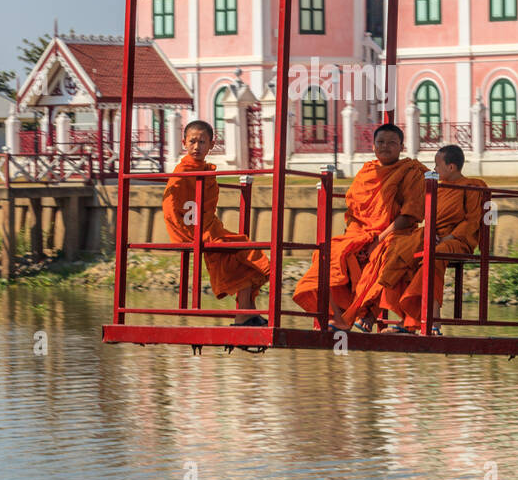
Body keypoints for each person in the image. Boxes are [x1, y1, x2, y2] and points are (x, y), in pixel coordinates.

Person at [291, 123, 425, 331]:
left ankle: (367, 314)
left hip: (394, 232)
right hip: (360, 232)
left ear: (401, 146)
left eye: (392, 143)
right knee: (329, 253)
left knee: (384, 253)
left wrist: (377, 239)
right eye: (380, 142)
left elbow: (408, 216)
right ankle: (337, 317)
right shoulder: (367, 172)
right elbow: (355, 213)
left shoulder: (411, 172)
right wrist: (357, 240)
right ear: (373, 146)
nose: (385, 147)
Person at [162, 120, 272, 326]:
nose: (197, 147)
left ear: (212, 144)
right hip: (196, 232)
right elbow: (170, 207)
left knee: (245, 254)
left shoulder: (205, 170)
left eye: (202, 142)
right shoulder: (181, 172)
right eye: (192, 141)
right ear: (183, 142)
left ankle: (247, 312)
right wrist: (184, 237)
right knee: (241, 253)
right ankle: (245, 315)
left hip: (210, 228)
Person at [376, 144, 487, 333]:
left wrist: (447, 238)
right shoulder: (437, 188)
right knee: (403, 252)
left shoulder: (472, 187)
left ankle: (432, 320)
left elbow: (472, 221)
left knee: (433, 255)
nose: (434, 169)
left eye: (437, 165)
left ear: (451, 167)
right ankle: (409, 321)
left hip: (456, 241)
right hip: (432, 237)